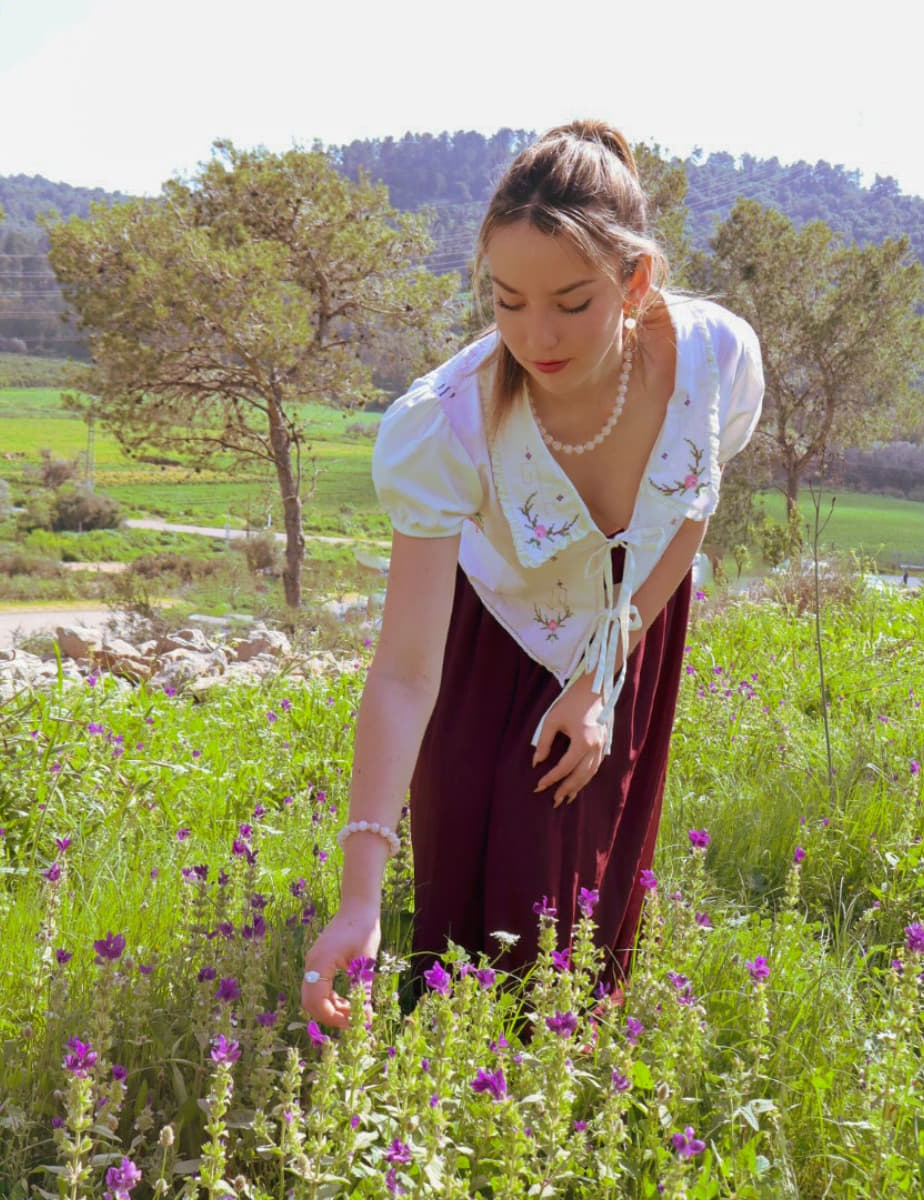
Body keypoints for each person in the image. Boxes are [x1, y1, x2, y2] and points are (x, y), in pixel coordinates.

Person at [302, 119, 765, 1026]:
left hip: (633, 617)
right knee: (477, 904)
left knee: (581, 902)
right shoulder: (444, 424)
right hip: (491, 633)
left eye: (570, 301)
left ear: (635, 282)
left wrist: (600, 675)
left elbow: (691, 508)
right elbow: (402, 674)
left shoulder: (715, 357)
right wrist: (358, 897)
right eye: (508, 300)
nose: (535, 335)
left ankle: (572, 1086)